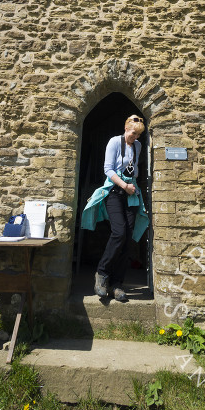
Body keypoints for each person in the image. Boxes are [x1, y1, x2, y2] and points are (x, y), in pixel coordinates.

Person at [81, 115, 149, 302]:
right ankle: (102, 274)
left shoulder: (137, 146)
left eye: (138, 135)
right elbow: (108, 169)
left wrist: (131, 187)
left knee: (128, 238)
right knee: (118, 232)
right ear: (126, 128)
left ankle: (117, 284)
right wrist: (124, 186)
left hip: (131, 193)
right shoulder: (114, 142)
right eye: (133, 133)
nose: (135, 137)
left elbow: (133, 168)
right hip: (114, 191)